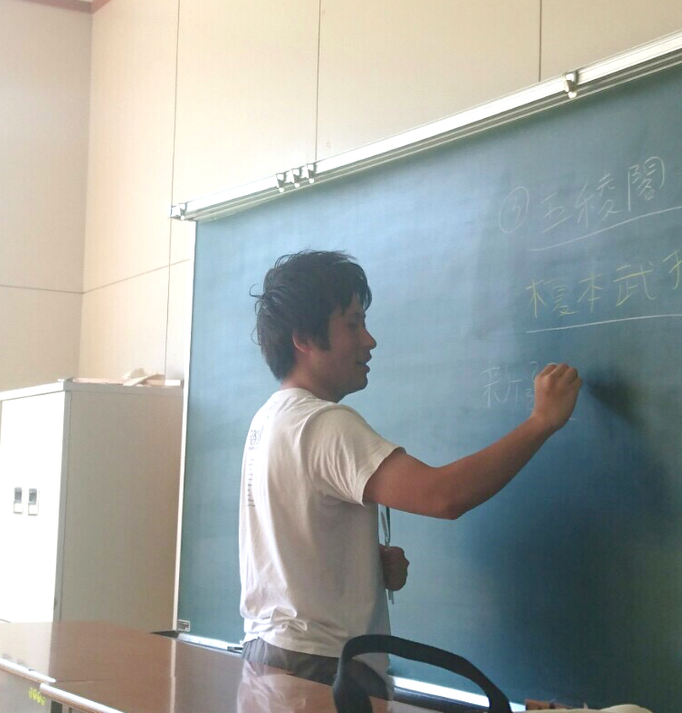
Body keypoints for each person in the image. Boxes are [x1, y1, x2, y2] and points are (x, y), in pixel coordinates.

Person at [238, 249, 582, 695]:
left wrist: (361, 563)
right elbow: (443, 496)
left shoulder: (269, 419)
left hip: (272, 655)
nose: (369, 340)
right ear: (303, 338)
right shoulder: (323, 424)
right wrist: (541, 422)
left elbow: (291, 543)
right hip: (321, 665)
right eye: (353, 325)